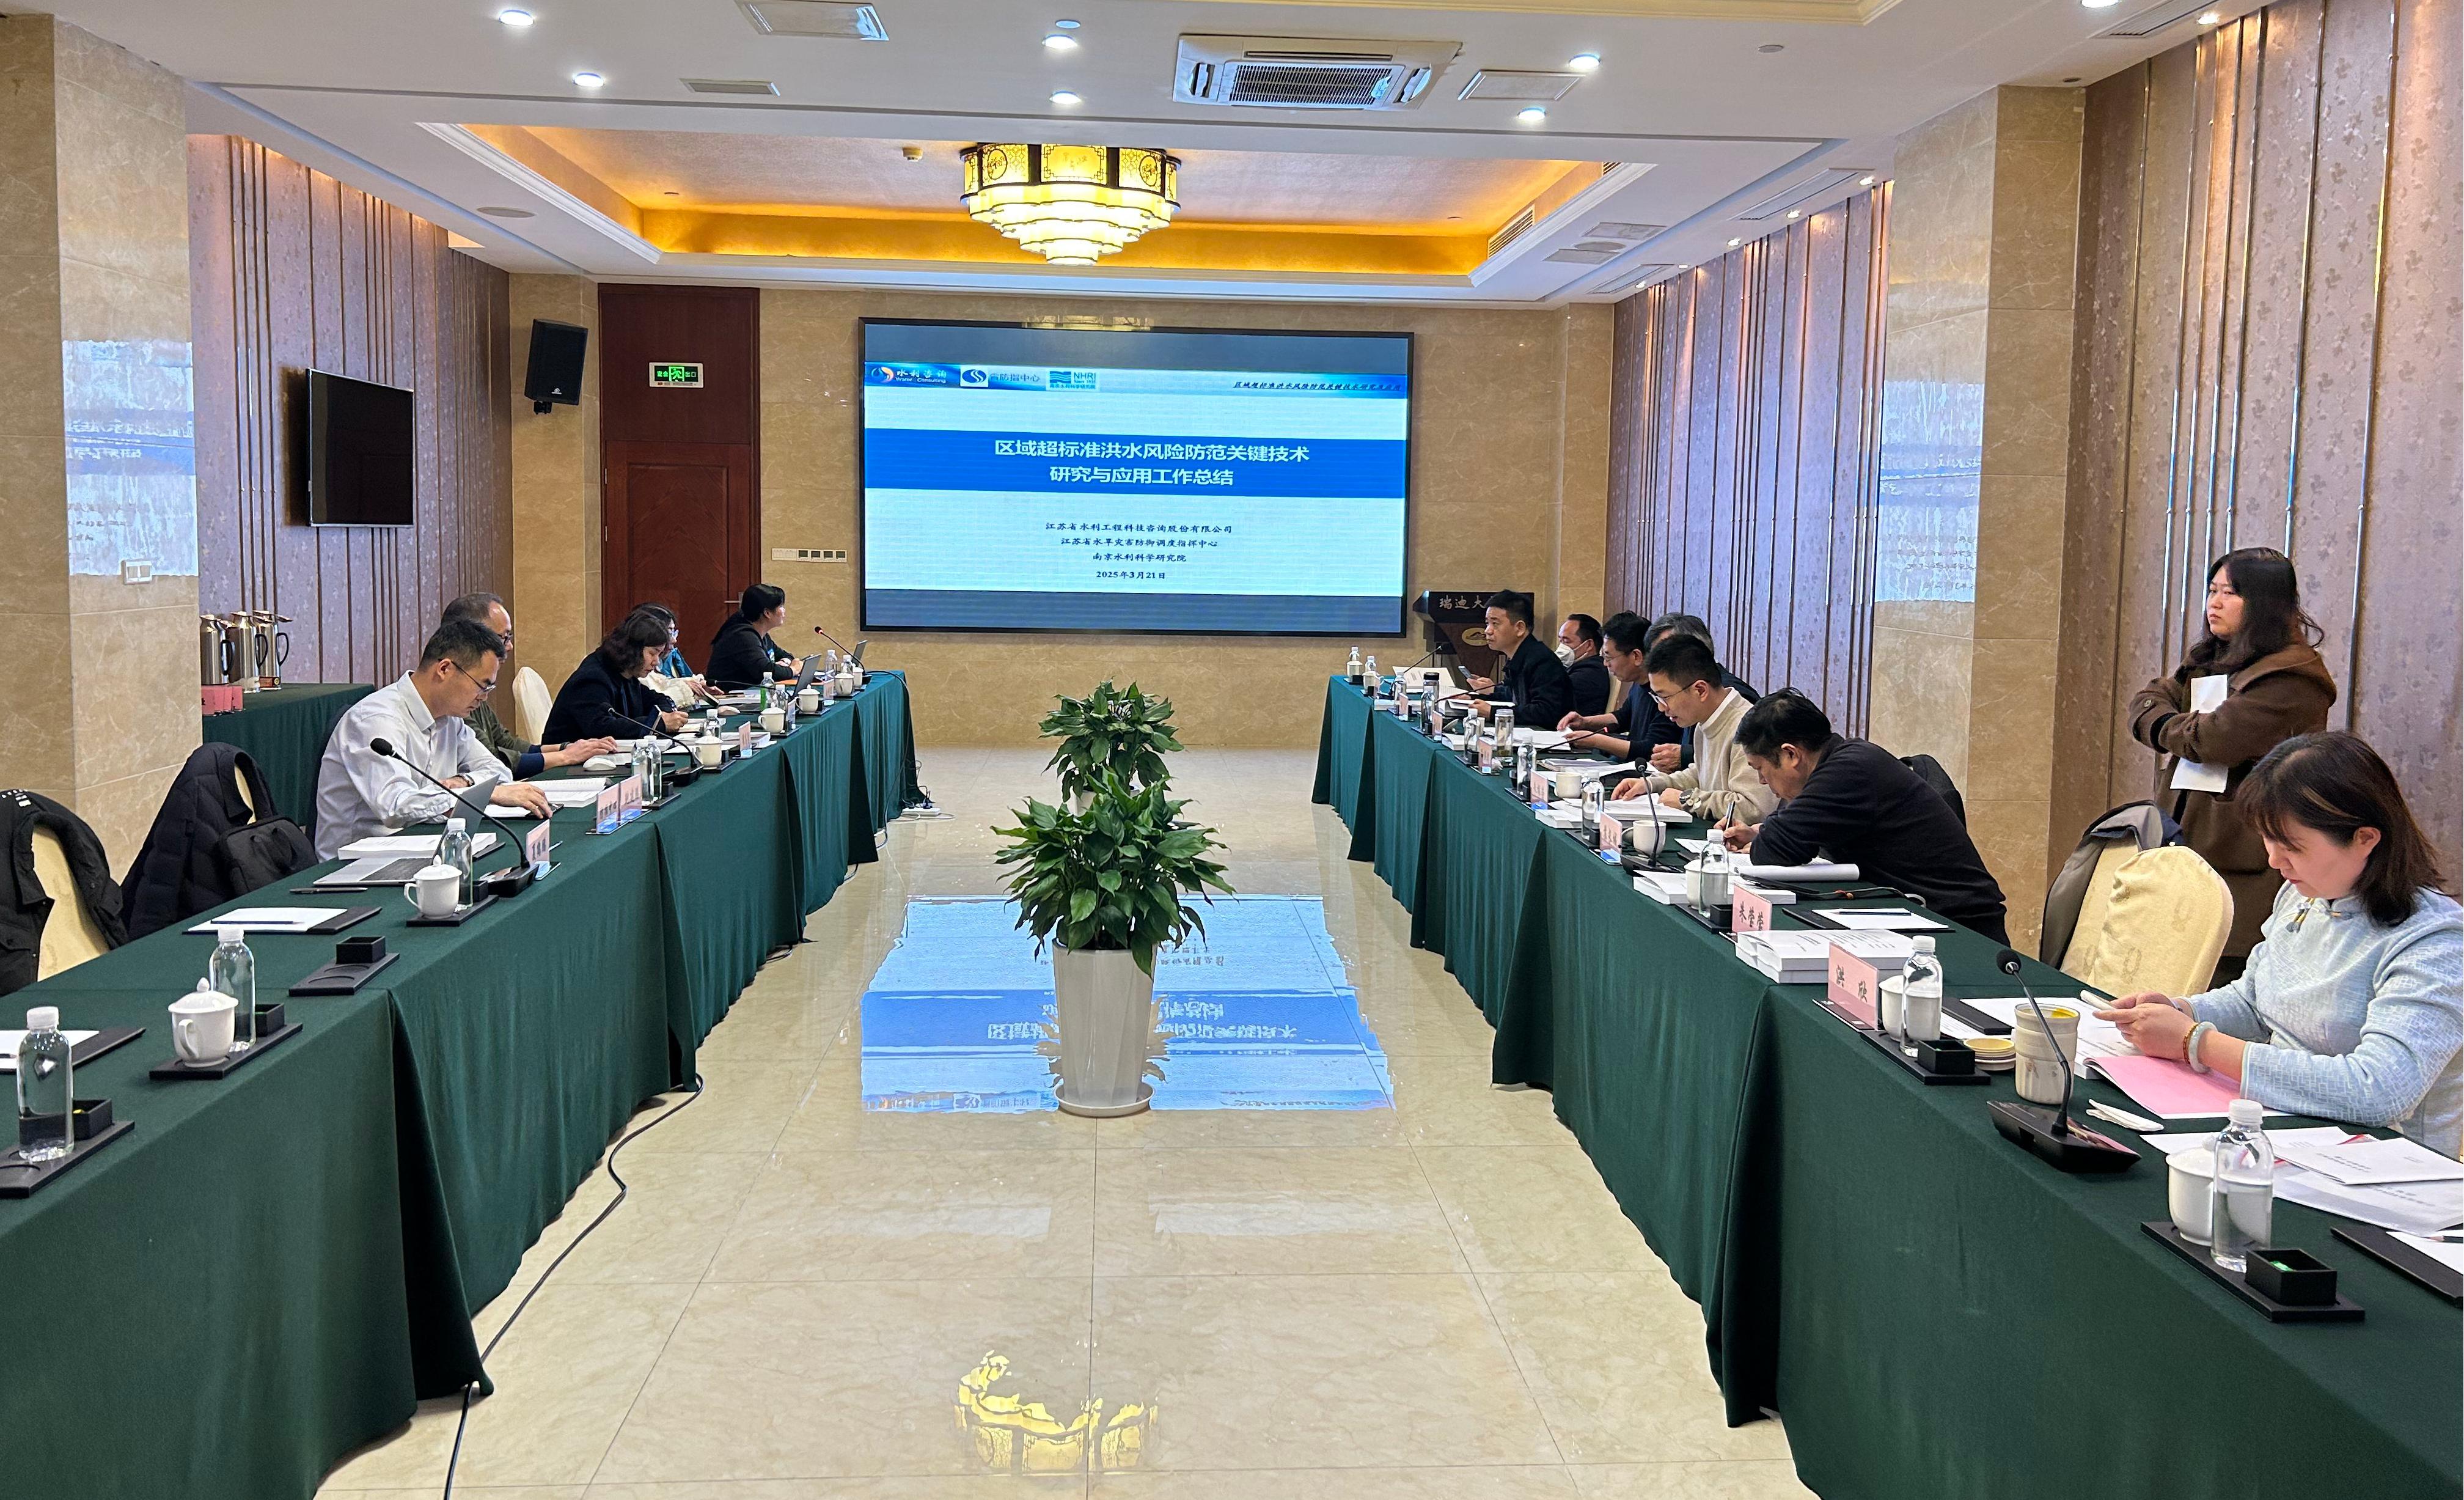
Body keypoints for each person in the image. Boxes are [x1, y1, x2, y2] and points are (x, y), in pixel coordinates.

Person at [2096, 733, 2460, 1154]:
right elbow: (2254, 1001)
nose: (2274, 861)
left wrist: (2196, 1041)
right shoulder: (2303, 895)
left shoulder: (2434, 940)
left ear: (2365, 838)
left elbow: (2378, 1091)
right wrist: (2182, 1011)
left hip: (2383, 1161)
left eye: (2293, 847)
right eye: (2269, 840)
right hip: (2286, 1129)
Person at [2128, 547, 2336, 967]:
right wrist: (2172, 723)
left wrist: (2167, 723)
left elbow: (2213, 740)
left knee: (2222, 972)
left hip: (2242, 857)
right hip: (2184, 841)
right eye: (2212, 590)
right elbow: (2146, 701)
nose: (2215, 603)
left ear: (2264, 603)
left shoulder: (2292, 676)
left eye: (2230, 593)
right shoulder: (2211, 659)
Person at [1724, 690, 2009, 944]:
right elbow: (1788, 830)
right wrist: (1762, 832)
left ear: (1791, 755)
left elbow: (1776, 850)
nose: (1762, 781)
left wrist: (1767, 837)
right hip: (1918, 914)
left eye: (1760, 768)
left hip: (1960, 929)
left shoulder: (1848, 770)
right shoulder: (1840, 762)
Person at [311, 617, 550, 859]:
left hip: (422, 848)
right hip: (357, 865)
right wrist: (487, 794)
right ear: (445, 669)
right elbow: (396, 806)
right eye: (482, 686)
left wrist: (465, 781)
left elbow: (498, 771)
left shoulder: (450, 720)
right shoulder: (375, 720)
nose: (484, 697)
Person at [437, 592, 616, 776]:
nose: (509, 646)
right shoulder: (453, 700)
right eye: (503, 637)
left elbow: (506, 743)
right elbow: (495, 762)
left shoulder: (473, 691)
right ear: (470, 638)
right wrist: (565, 756)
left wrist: (566, 748)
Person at [1612, 634, 1777, 825]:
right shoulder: (1704, 722)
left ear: (1700, 690)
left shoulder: (1748, 728)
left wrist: (1687, 800)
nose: (1661, 707)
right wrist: (1651, 784)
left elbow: (1752, 809)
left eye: (1665, 697)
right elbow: (1699, 775)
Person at [545, 610, 689, 744]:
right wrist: (657, 724)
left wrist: (666, 714)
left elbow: (655, 699)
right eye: (653, 653)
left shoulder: (625, 673)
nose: (656, 662)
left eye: (659, 654)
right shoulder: (593, 678)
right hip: (567, 758)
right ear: (634, 649)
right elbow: (602, 727)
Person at [1465, 589, 1571, 729]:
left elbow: (1545, 712)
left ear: (1520, 628)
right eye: (1487, 623)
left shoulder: (1542, 661)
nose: (1488, 631)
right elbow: (1513, 696)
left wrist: (1493, 712)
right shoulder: (1519, 656)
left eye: (1495, 624)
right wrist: (1473, 699)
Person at [1559, 611, 1659, 759]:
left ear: (1636, 656)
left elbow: (1651, 750)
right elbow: (1623, 717)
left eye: (1609, 657)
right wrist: (1585, 722)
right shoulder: (1639, 684)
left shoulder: (1663, 693)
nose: (1606, 664)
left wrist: (1596, 741)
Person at [706, 583, 798, 690]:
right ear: (767, 613)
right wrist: (793, 670)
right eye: (781, 606)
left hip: (750, 693)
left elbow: (786, 655)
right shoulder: (743, 636)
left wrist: (784, 663)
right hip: (728, 696)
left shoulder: (762, 634)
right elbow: (765, 672)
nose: (784, 610)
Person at [634, 603, 714, 706]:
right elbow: (654, 702)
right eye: (669, 633)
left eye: (674, 633)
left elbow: (664, 684)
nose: (674, 640)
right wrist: (685, 689)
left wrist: (697, 684)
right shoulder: (638, 668)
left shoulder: (671, 656)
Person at [1557, 613, 1611, 717]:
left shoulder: (1591, 673)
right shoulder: (1576, 667)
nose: (1561, 647)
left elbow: (1551, 695)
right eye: (1561, 641)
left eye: (1567, 642)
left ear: (1589, 645)